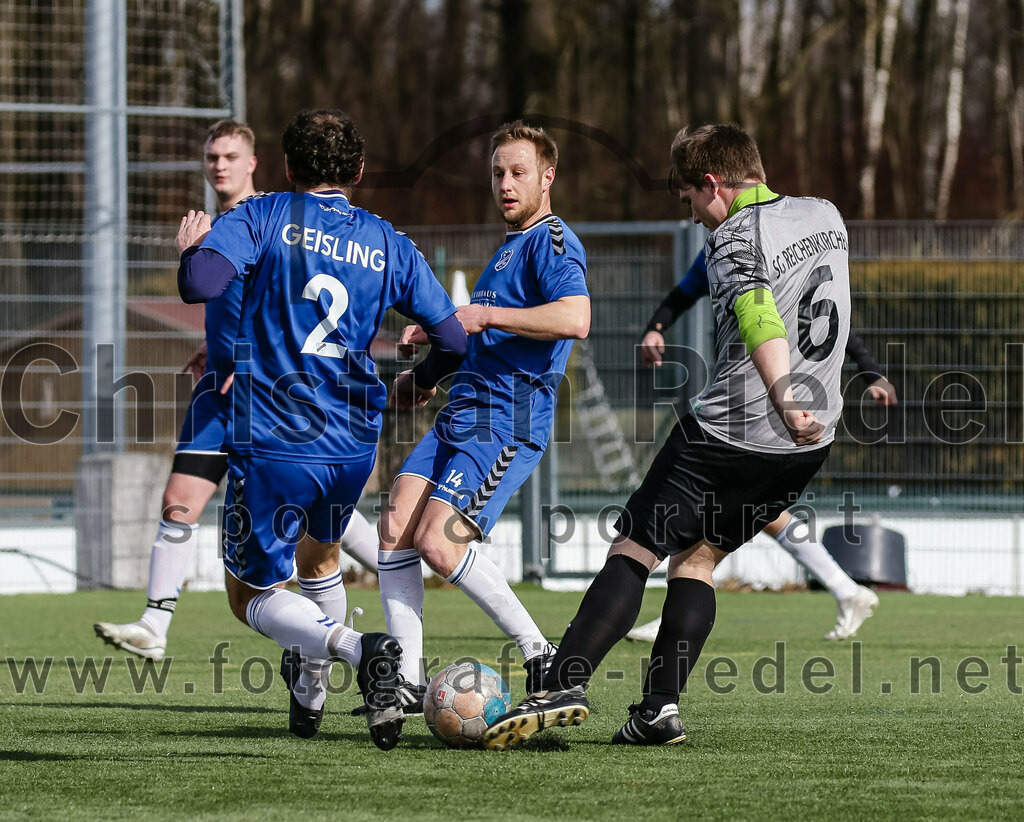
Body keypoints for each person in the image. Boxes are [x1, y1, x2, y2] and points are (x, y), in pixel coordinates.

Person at [485, 123, 852, 749]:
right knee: (699, 559)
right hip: (807, 444)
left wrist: (785, 397)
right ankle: (658, 711)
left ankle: (562, 685)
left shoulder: (734, 237)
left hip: (734, 428)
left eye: (688, 200)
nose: (692, 217)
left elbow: (761, 318)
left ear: (713, 184)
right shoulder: (825, 214)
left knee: (634, 547)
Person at [176, 109, 467, 749]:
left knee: (248, 594)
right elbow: (451, 338)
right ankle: (312, 702)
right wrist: (418, 383)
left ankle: (360, 652)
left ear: (285, 169)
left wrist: (195, 246)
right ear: (358, 172)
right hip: (353, 445)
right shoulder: (388, 241)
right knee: (321, 558)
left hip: (277, 435)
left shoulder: (260, 216)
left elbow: (201, 283)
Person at [93, 120, 383, 663]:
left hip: (268, 397)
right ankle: (156, 623)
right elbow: (226, 304)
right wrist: (215, 350)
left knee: (316, 523)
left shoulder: (269, 220)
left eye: (229, 156)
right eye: (211, 157)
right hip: (221, 390)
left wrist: (245, 358)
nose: (218, 166)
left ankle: (391, 563)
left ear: (254, 163)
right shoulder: (224, 224)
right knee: (179, 500)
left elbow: (285, 311)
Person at [377, 121, 589, 700]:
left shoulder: (553, 244)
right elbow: (477, 341)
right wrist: (423, 373)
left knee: (440, 544)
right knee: (394, 527)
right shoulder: (506, 252)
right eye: (497, 173)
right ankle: (405, 679)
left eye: (518, 172)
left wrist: (482, 315)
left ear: (548, 177)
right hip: (459, 417)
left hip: (507, 424)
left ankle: (541, 654)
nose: (505, 183)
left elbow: (575, 318)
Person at [625, 252, 895, 643]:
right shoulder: (718, 250)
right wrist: (656, 327)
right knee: (758, 510)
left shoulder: (768, 247)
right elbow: (682, 294)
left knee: (721, 504)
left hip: (775, 406)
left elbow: (833, 317)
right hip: (746, 403)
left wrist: (870, 370)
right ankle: (846, 589)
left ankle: (665, 613)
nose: (694, 212)